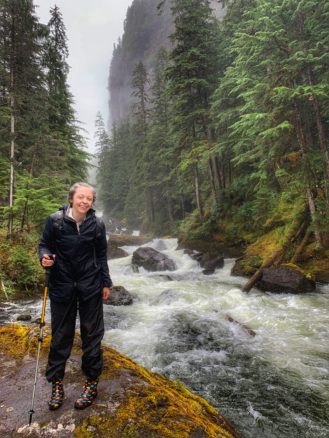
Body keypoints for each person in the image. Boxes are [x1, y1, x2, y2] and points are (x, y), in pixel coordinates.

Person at [38, 182, 112, 411]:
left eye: (88, 199)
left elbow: (101, 255)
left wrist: (106, 282)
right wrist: (45, 258)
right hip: (62, 285)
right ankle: (57, 384)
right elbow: (44, 245)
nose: (84, 202)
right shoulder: (55, 221)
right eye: (81, 197)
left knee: (92, 335)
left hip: (90, 285)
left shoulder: (97, 224)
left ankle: (91, 383)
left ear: (92, 202)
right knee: (61, 335)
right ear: (72, 199)